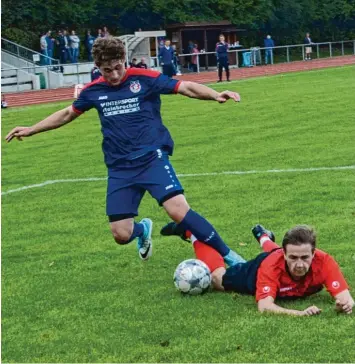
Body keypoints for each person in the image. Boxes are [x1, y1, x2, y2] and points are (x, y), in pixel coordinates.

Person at [5, 37, 242, 267]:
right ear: (98, 67)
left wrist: (215, 95)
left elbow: (185, 87)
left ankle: (231, 257)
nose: (115, 75)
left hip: (151, 158)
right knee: (120, 234)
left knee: (177, 209)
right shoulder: (93, 91)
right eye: (107, 70)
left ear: (124, 60)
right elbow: (67, 114)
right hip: (120, 168)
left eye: (118, 67)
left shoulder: (145, 78)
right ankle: (143, 230)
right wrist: (31, 129)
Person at [161, 223, 354, 316]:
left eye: (305, 257)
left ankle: (263, 236)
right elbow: (265, 307)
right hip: (255, 272)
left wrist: (343, 305)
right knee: (217, 279)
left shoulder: (325, 262)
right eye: (293, 258)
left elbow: (345, 298)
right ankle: (192, 232)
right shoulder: (272, 265)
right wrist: (300, 313)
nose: (300, 264)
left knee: (275, 254)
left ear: (314, 254)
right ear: (284, 255)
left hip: (275, 255)